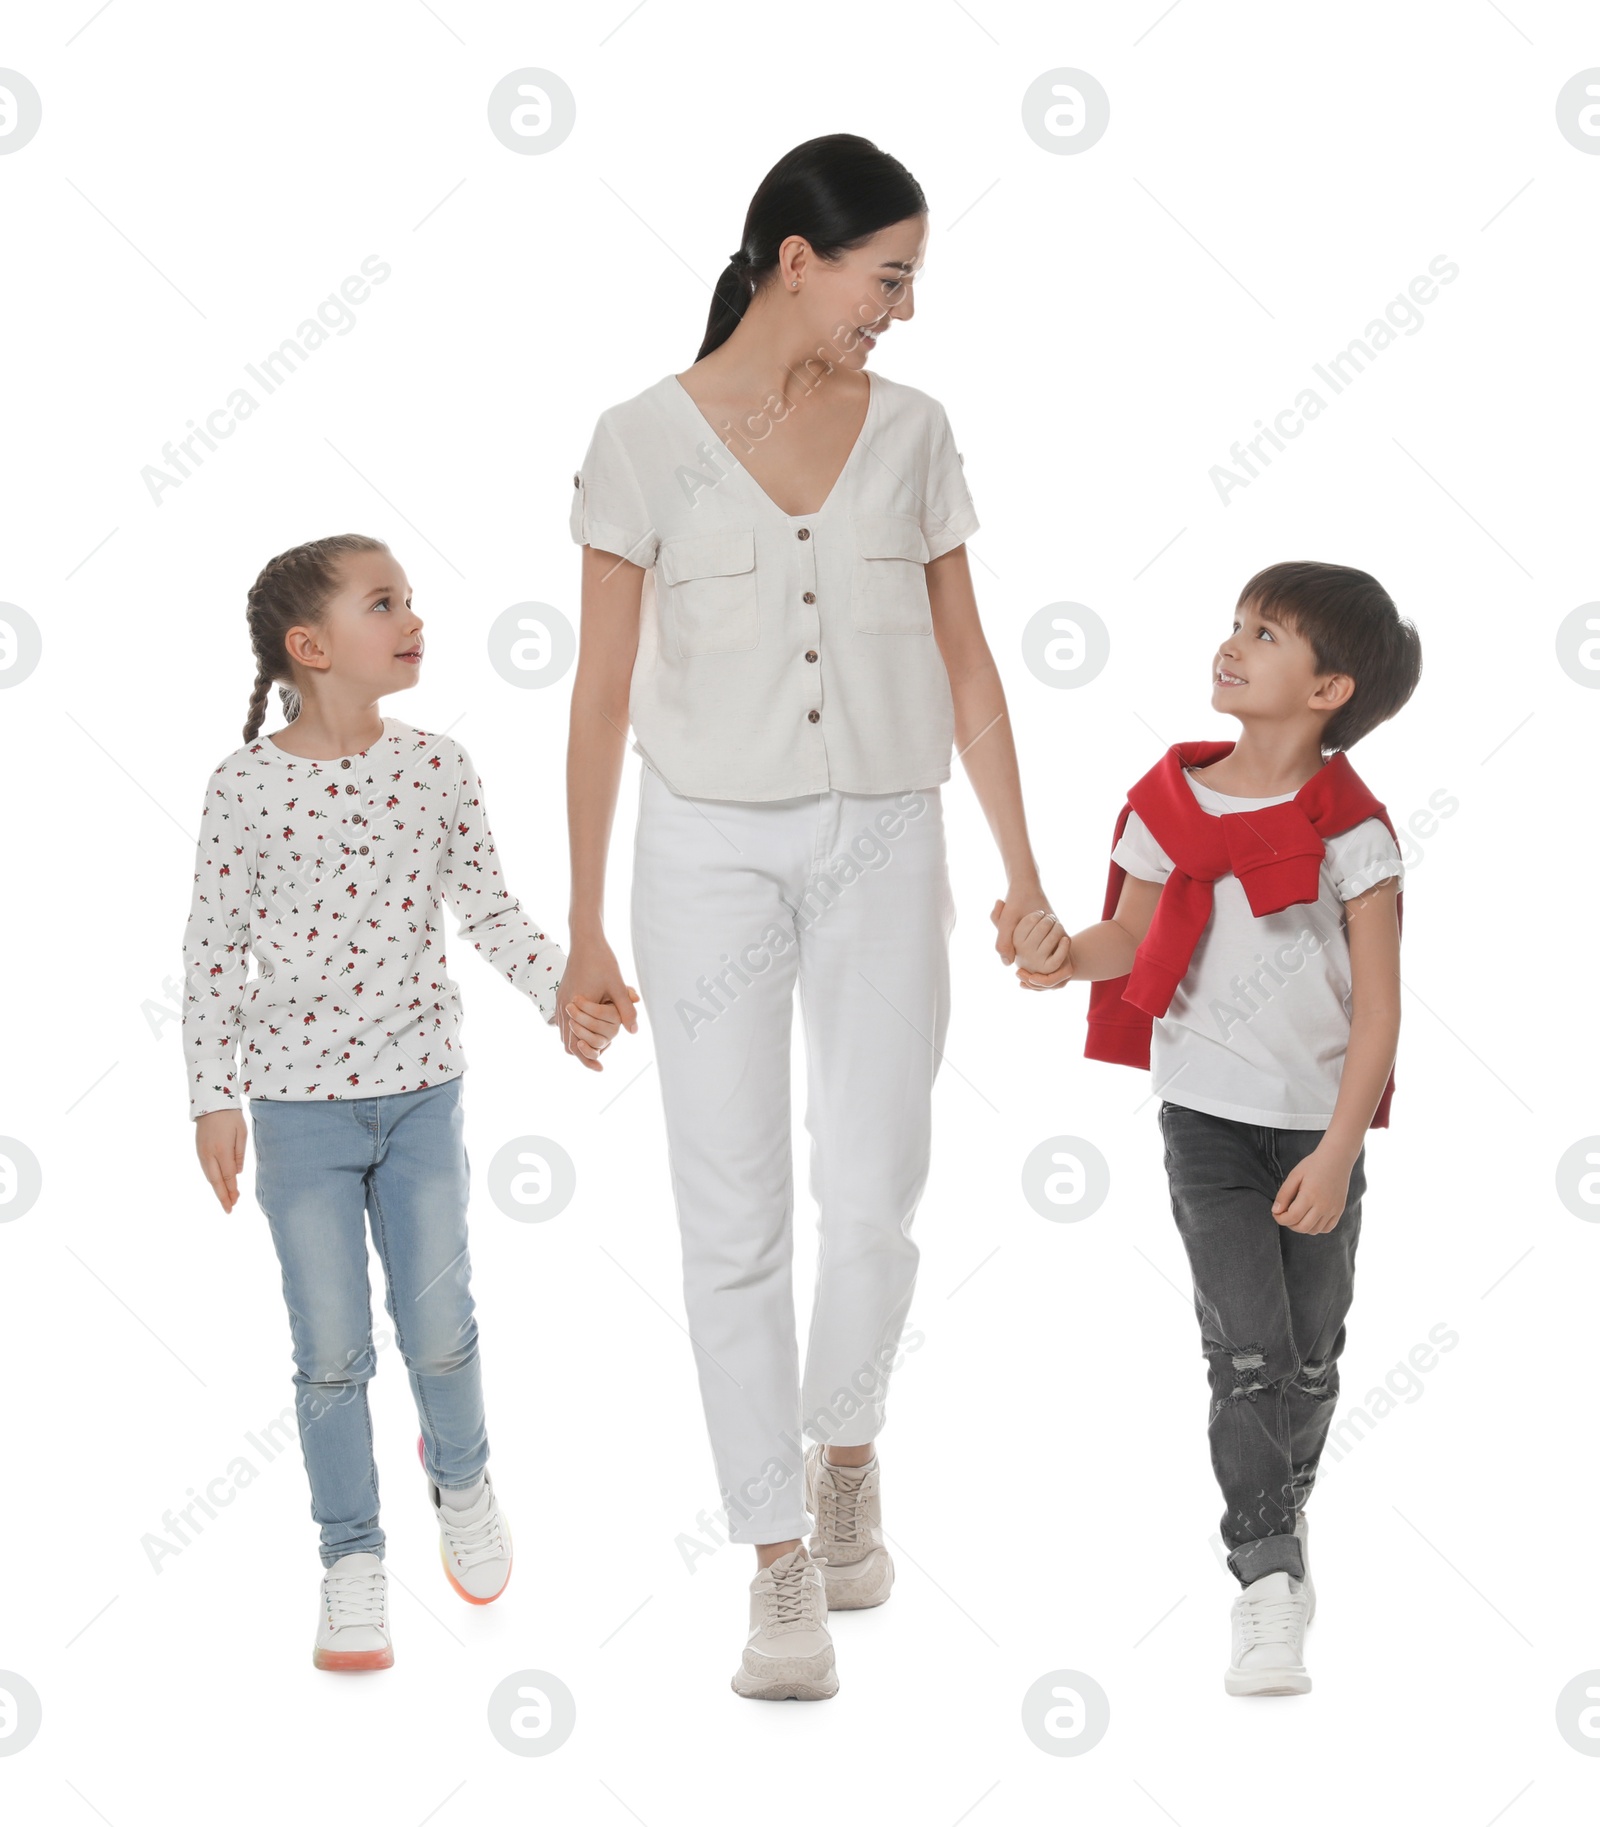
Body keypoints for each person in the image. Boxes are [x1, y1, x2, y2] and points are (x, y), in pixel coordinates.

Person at [560, 134, 1060, 1699]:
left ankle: (847, 1452)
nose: (901, 310)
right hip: (701, 849)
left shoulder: (914, 432)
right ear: (795, 257)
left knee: (878, 1186)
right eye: (886, 276)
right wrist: (583, 924)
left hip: (887, 834)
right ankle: (776, 1559)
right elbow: (597, 696)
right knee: (729, 1217)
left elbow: (970, 667)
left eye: (911, 280)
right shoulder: (639, 440)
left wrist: (1024, 871)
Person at [181, 533, 623, 1671]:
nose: (414, 619)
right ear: (311, 647)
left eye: (411, 600)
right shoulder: (242, 790)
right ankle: (352, 1563)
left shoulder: (436, 767)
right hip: (295, 1115)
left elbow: (487, 912)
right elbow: (212, 954)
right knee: (330, 1349)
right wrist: (211, 1098)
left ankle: (463, 1480)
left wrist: (560, 990)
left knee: (440, 1327)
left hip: (422, 1099)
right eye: (386, 604)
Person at [1013, 560, 1420, 1696]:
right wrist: (1055, 953)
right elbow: (1124, 946)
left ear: (1329, 687)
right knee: (1244, 1352)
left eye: (1268, 633)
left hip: (1316, 1127)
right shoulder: (1165, 806)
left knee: (1308, 1353)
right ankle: (1266, 1579)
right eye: (1236, 623)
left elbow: (1380, 1010)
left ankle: (1277, 1520)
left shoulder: (1354, 833)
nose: (1232, 644)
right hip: (1204, 1120)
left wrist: (1338, 1152)